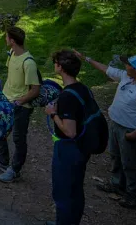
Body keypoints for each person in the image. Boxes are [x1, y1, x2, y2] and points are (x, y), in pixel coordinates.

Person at [79, 52, 136, 208]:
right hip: (116, 124)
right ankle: (117, 184)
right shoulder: (127, 77)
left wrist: (133, 135)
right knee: (116, 156)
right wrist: (87, 59)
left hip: (130, 130)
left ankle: (133, 195)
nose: (126, 66)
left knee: (130, 163)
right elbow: (108, 70)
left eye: (129, 64)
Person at [44, 50, 93, 225]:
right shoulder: (82, 88)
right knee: (75, 189)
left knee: (63, 192)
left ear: (61, 68)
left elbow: (70, 131)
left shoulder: (67, 97)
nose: (54, 65)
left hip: (69, 148)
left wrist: (52, 114)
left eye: (56, 63)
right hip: (81, 146)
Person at [0, 27, 39, 183]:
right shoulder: (12, 54)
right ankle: (3, 163)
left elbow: (35, 89)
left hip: (21, 107)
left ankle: (15, 170)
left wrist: (20, 101)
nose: (5, 39)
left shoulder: (29, 63)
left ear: (12, 41)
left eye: (6, 37)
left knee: (18, 139)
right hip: (6, 102)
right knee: (0, 133)